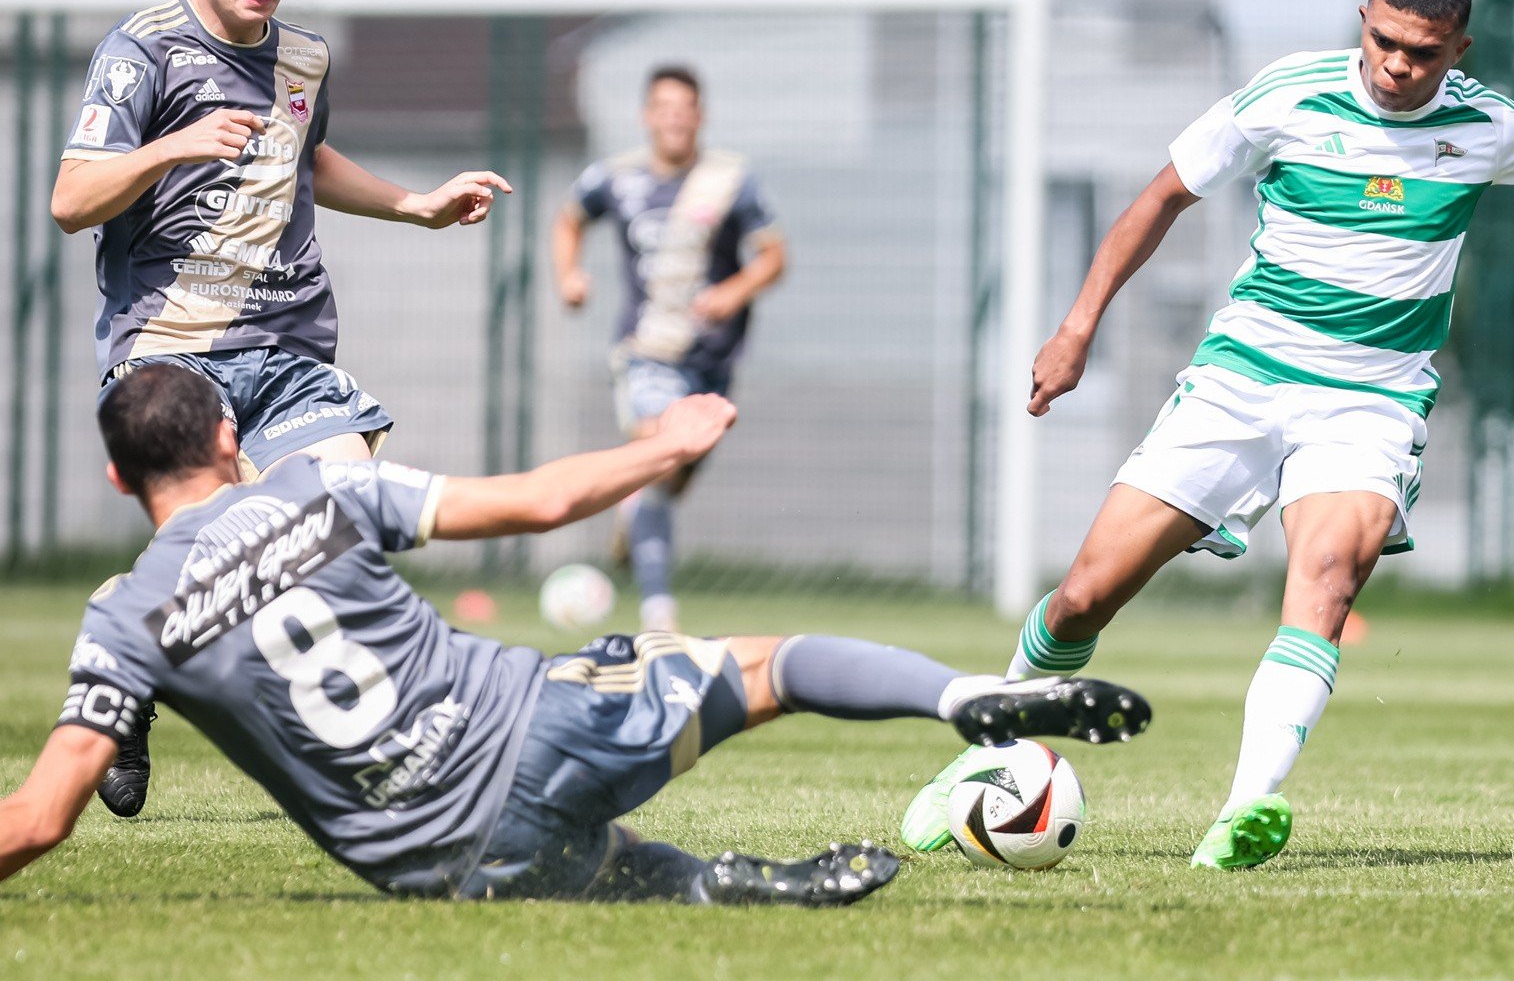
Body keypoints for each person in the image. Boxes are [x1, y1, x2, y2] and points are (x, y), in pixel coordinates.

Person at [900, 0, 1514, 870]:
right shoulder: (1286, 94)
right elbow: (1161, 198)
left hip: (1373, 397)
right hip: (1244, 376)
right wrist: (1076, 329)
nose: (1400, 65)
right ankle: (980, 752)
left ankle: (1244, 810)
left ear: (1459, 49)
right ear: (1364, 17)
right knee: (1086, 594)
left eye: (1425, 51)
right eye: (1387, 40)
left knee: (1327, 577)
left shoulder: (1489, 127)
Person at [0, 365, 1149, 904]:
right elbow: (544, 502)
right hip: (535, 729)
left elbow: (44, 815)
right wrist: (668, 441)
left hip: (429, 860)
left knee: (609, 874)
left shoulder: (123, 614)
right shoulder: (314, 489)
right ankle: (958, 701)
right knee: (773, 665)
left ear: (116, 474)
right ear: (230, 431)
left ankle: (728, 888)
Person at [49, 0, 512, 819]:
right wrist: (175, 143)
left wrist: (416, 204)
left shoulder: (304, 55)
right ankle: (130, 685)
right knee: (218, 552)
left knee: (336, 533)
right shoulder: (142, 54)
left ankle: (394, 753)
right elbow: (70, 197)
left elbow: (309, 158)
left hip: (293, 353)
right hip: (169, 353)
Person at [551, 66, 786, 633]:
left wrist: (734, 291)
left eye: (686, 107)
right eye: (664, 106)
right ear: (647, 115)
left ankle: (634, 513)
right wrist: (570, 275)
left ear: (700, 116)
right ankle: (660, 615)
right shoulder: (617, 177)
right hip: (646, 350)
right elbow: (568, 219)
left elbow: (774, 256)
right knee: (661, 449)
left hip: (712, 357)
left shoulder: (731, 180)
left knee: (672, 474)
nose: (675, 117)